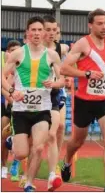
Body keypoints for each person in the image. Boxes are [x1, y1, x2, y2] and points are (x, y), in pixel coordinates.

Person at [60, 8, 105, 192]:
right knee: (77, 141)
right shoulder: (82, 44)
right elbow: (64, 69)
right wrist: (86, 73)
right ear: (90, 25)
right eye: (100, 24)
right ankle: (67, 160)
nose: (104, 27)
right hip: (85, 100)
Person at [2, 16, 63, 192]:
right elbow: (2, 77)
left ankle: (29, 183)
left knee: (38, 147)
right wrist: (13, 92)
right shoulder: (18, 53)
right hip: (21, 111)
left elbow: (63, 80)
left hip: (42, 110)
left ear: (44, 33)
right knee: (21, 153)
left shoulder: (52, 55)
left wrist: (54, 83)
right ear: (27, 33)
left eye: (39, 30)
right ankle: (13, 140)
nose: (36, 33)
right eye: (33, 30)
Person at [42, 14, 68, 191]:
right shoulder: (35, 48)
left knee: (59, 128)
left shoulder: (62, 48)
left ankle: (55, 165)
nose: (53, 34)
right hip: (37, 93)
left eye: (55, 31)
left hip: (58, 91)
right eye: (49, 30)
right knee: (32, 139)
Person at [1, 40, 21, 179]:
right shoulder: (7, 68)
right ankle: (3, 166)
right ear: (8, 52)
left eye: (17, 50)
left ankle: (17, 164)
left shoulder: (24, 66)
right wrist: (12, 100)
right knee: (4, 136)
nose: (15, 53)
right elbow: (3, 87)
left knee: (21, 139)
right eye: (12, 50)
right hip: (9, 104)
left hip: (23, 106)